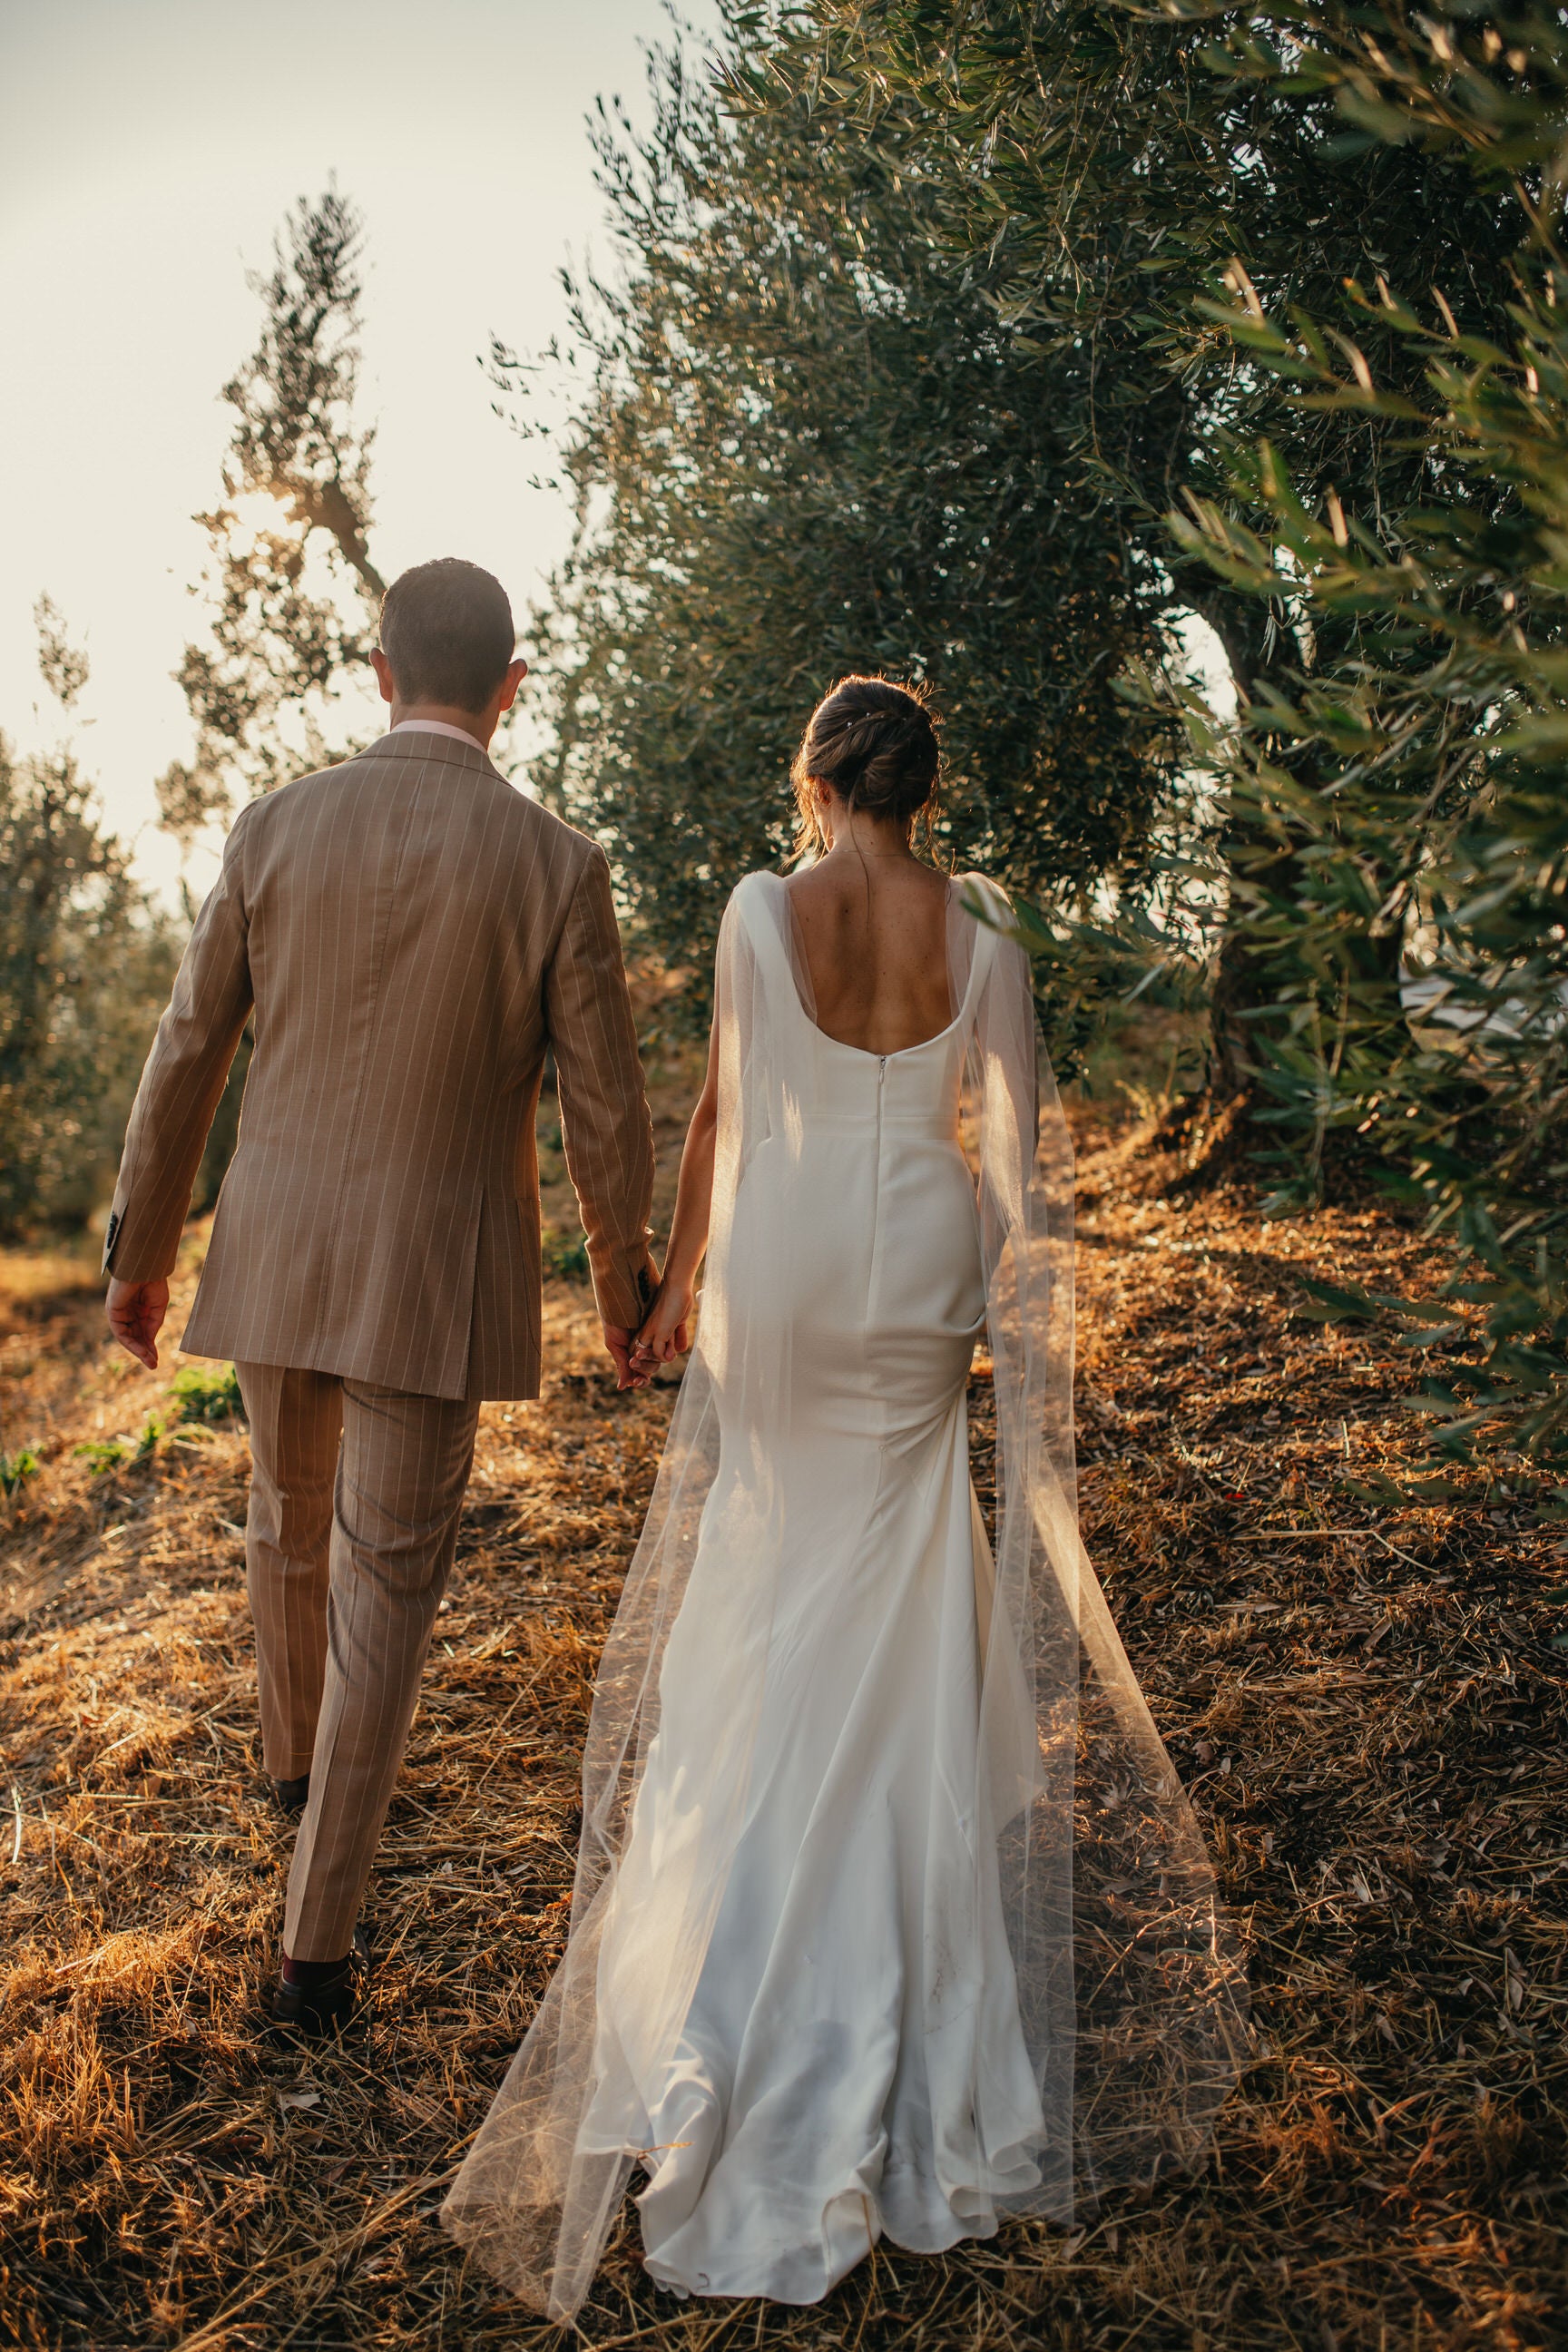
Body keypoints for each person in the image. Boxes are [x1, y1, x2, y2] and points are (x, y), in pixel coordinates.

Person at [445, 675, 1245, 2317]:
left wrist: (668, 1296)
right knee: (898, 1578)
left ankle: (734, 1972)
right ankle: (904, 1956)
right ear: (920, 790)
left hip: (792, 1270)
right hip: (920, 1275)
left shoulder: (759, 910)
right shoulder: (989, 939)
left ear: (816, 782)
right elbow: (1021, 1179)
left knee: (769, 1582)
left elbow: (725, 1123)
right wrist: (968, 1235)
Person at [103, 557, 657, 2035]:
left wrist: (139, 1250)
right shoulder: (557, 862)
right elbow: (604, 1113)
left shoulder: (276, 825)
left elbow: (183, 1058)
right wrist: (627, 1286)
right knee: (386, 1594)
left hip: (276, 1247)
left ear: (378, 670)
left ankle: (295, 1777)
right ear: (512, 689)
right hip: (432, 1269)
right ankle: (316, 1952)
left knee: (285, 1524)